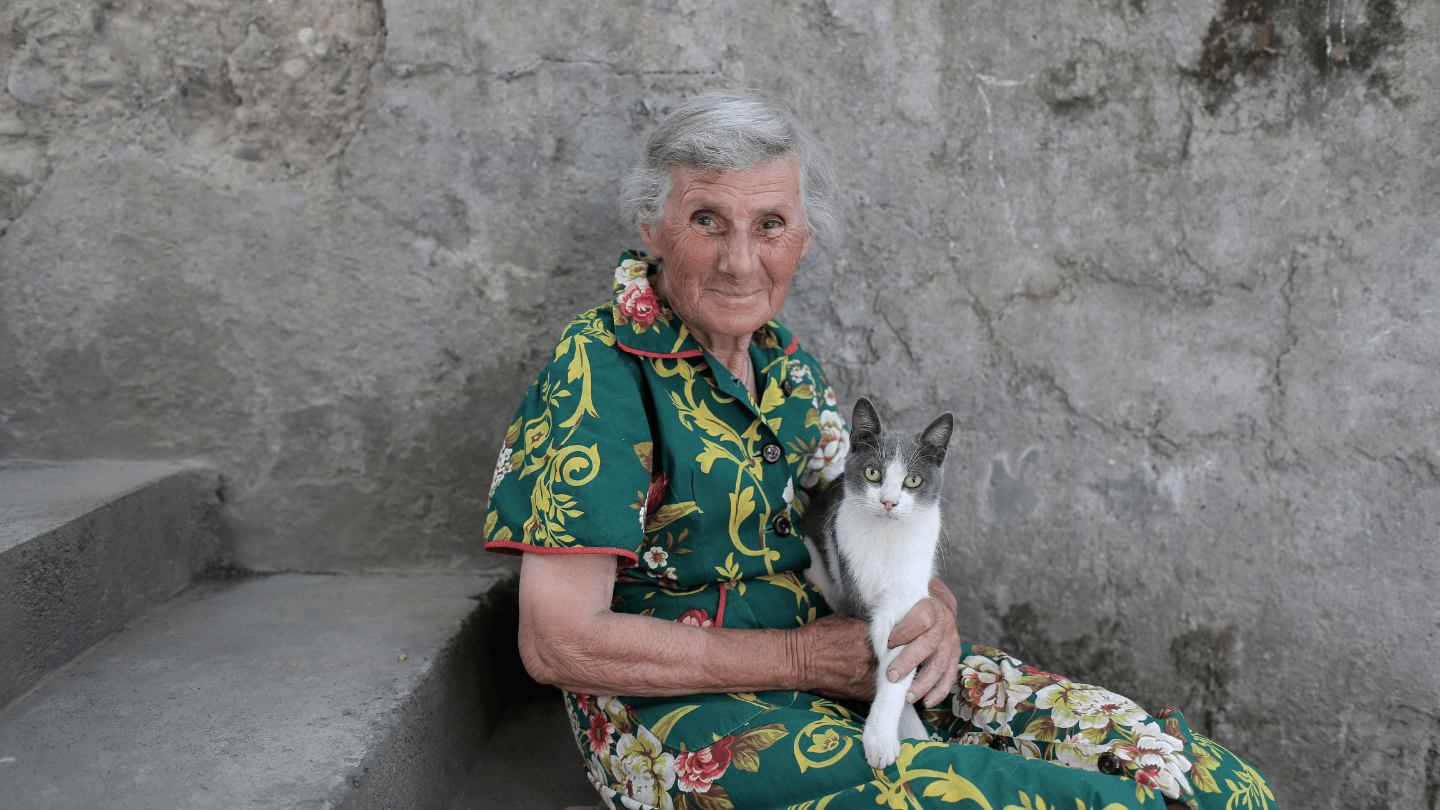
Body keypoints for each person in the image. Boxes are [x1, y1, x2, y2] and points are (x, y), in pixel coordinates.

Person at [483, 89, 1275, 810]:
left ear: (805, 237)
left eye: (770, 226)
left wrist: (936, 613)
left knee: (1202, 784)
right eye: (705, 221)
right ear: (650, 225)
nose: (739, 259)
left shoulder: (786, 366)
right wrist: (798, 660)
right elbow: (557, 641)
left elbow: (877, 524)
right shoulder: (598, 369)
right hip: (691, 716)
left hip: (851, 660)